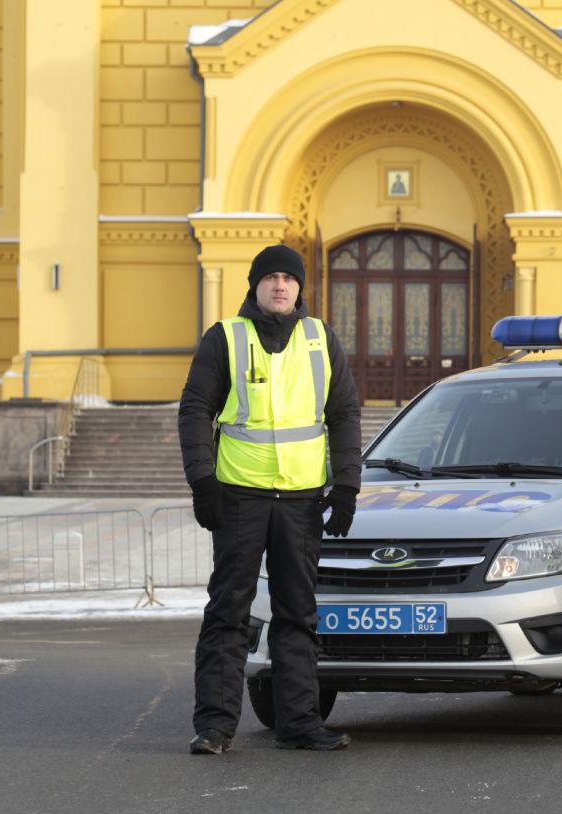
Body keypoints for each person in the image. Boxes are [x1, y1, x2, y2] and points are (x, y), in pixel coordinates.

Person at [179, 243, 362, 754]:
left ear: (300, 287)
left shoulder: (320, 338)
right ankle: (214, 727)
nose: (280, 285)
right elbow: (195, 410)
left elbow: (344, 412)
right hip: (239, 497)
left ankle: (299, 723)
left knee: (297, 614)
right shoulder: (226, 339)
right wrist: (202, 481)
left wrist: (346, 485)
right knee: (229, 611)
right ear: (254, 285)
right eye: (270, 277)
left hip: (303, 500)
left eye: (288, 277)